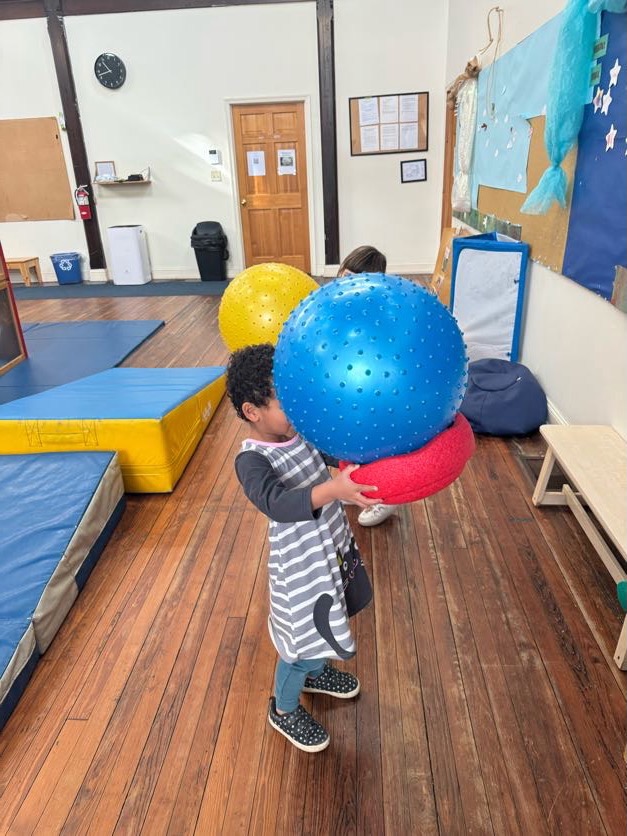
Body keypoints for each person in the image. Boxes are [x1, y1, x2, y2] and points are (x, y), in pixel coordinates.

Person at [227, 343, 378, 753]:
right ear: (252, 412)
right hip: (300, 568)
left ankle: (315, 671)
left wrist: (364, 449)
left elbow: (333, 451)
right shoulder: (252, 460)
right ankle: (285, 707)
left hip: (328, 548)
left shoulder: (300, 432)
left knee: (327, 617)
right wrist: (334, 488)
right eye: (285, 402)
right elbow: (275, 503)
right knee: (297, 643)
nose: (296, 408)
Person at [337, 245, 399, 528]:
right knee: (347, 441)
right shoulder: (332, 304)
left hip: (375, 389)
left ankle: (386, 498)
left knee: (375, 445)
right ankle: (356, 489)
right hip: (344, 387)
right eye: (345, 274)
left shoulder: (378, 312)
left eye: (356, 280)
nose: (346, 283)